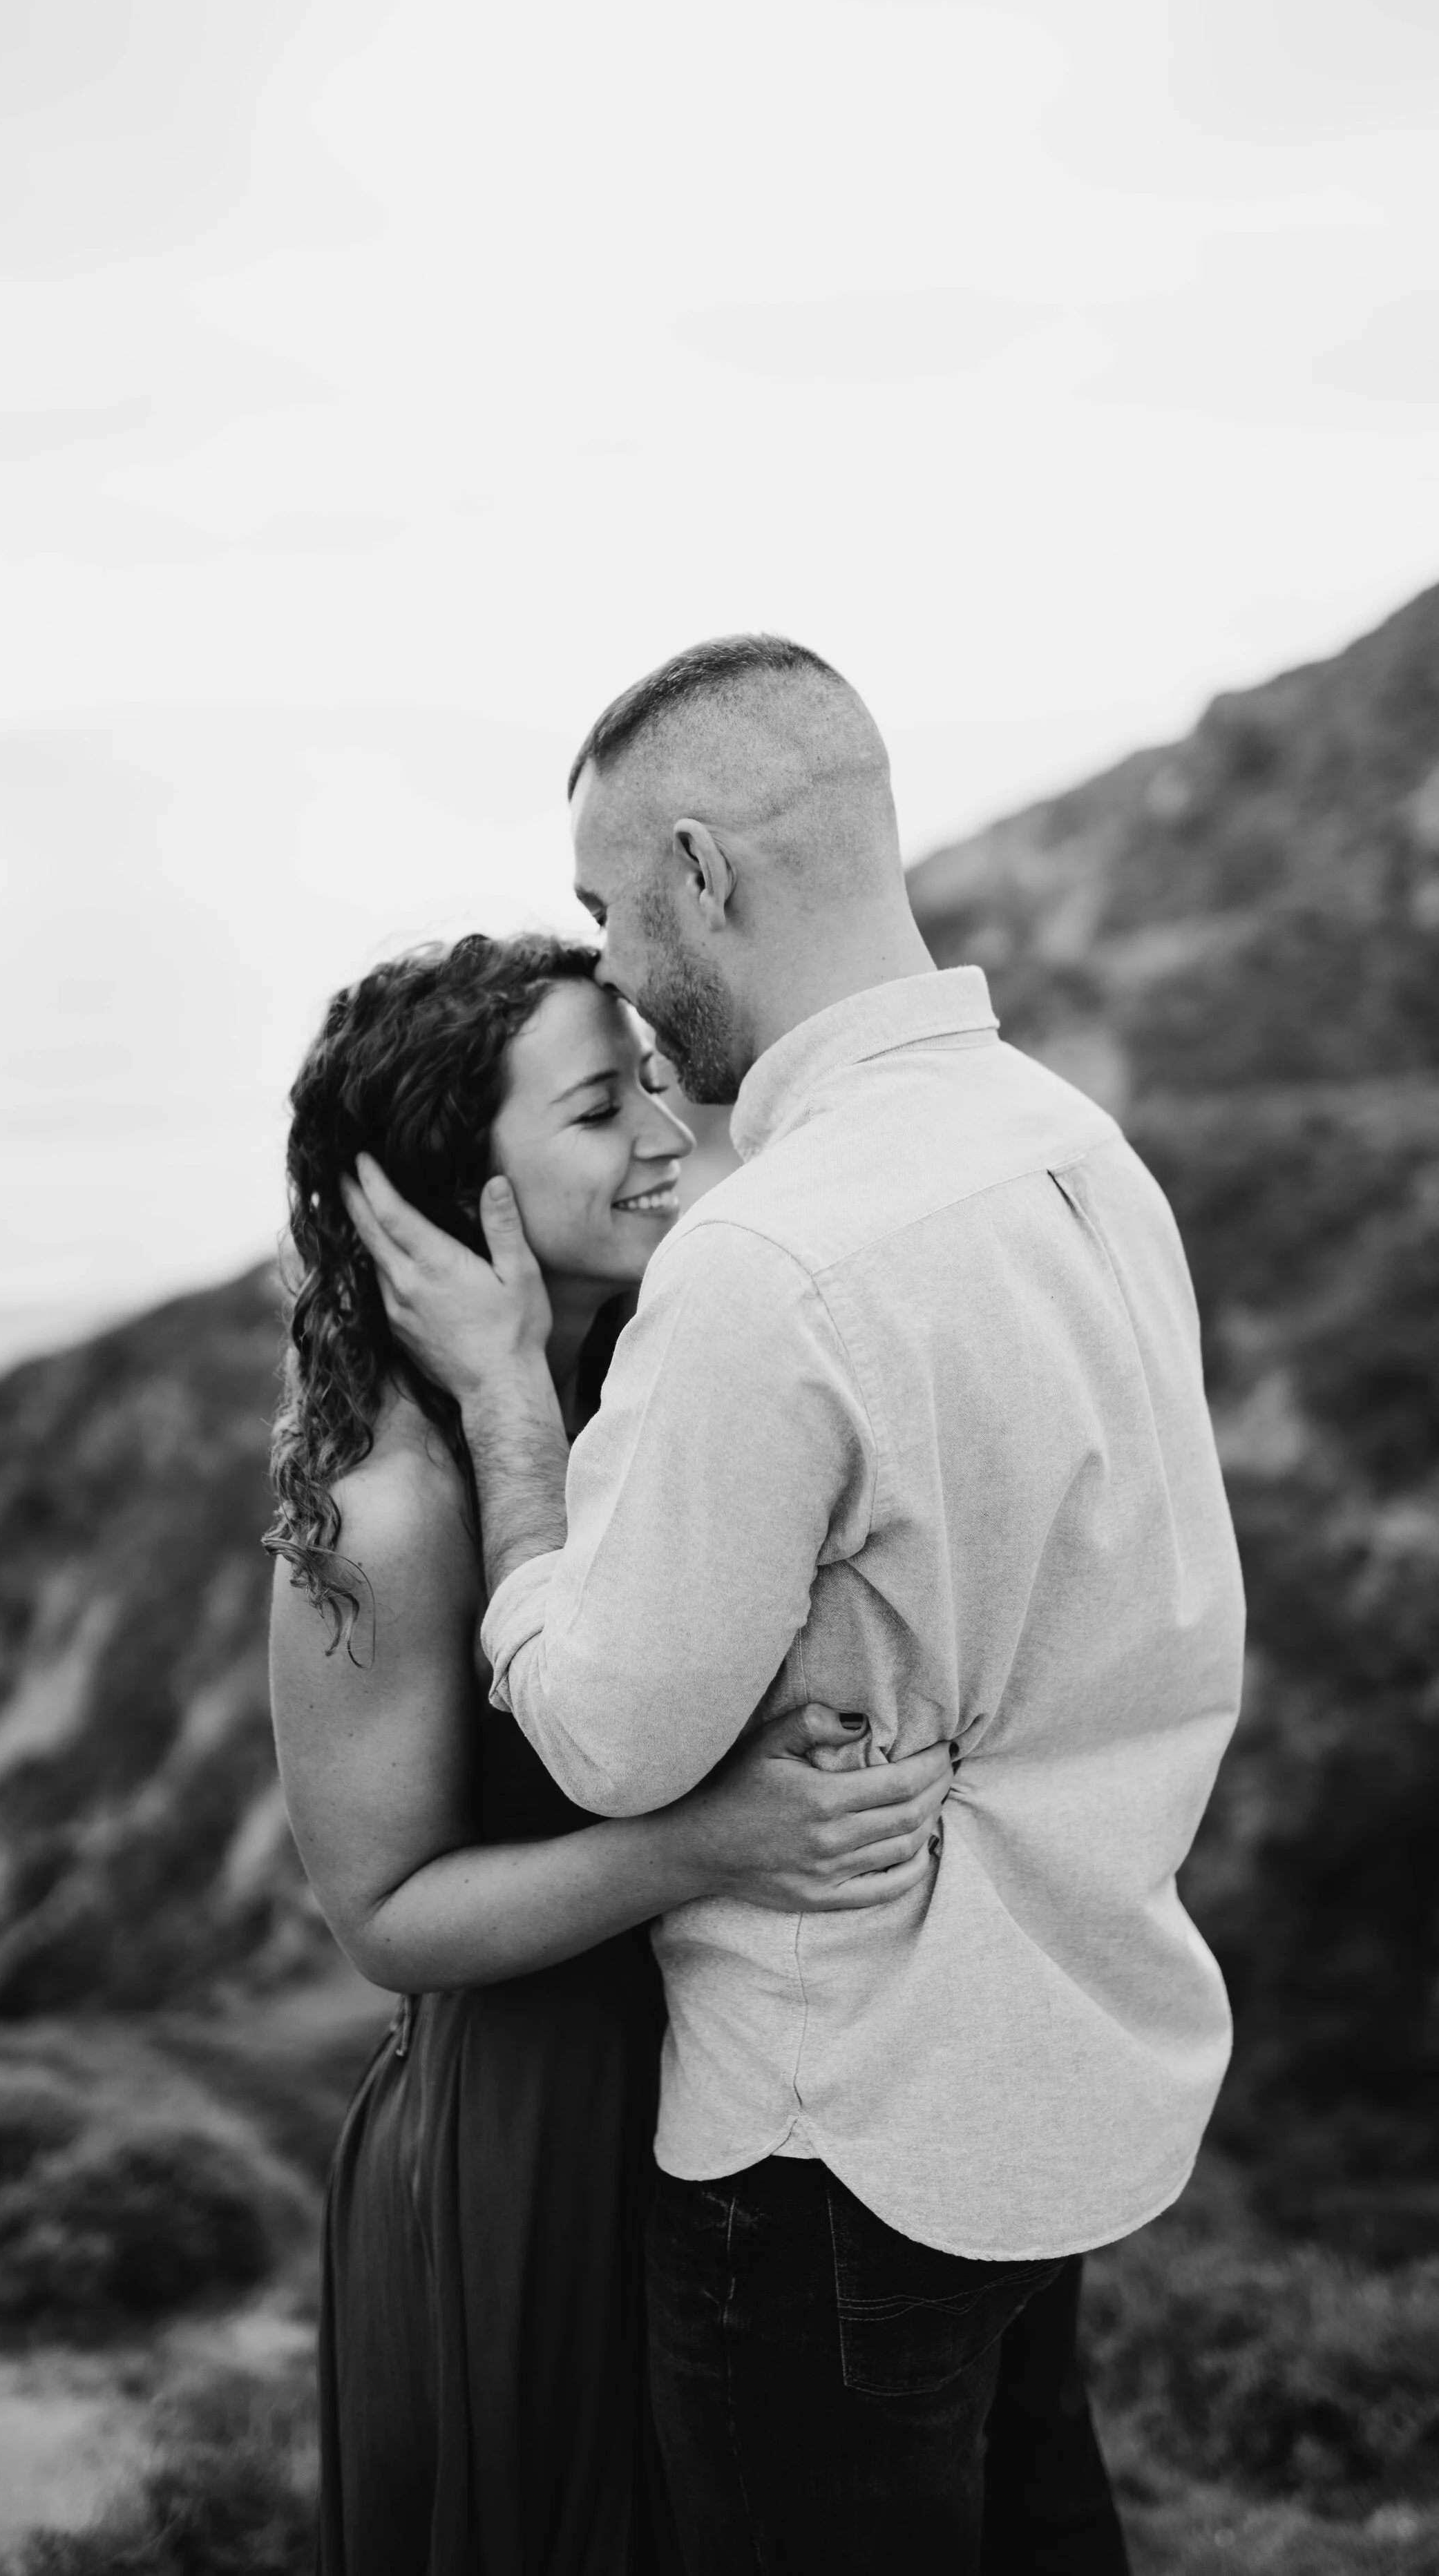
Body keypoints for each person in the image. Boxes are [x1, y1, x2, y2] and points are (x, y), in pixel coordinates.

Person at [346, 633, 1248, 2576]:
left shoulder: (774, 1259)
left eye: (608, 901)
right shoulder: (1077, 1151)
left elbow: (601, 1732)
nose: (620, 968)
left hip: (831, 2122)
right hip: (1056, 2064)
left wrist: (513, 1419)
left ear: (699, 867)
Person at [266, 932, 955, 2576]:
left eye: (651, 1077)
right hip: (538, 2131)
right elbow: (385, 1919)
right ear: (458, 1189)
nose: (667, 1129)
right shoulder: (390, 1508)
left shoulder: (641, 1381)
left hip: (718, 2095)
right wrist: (706, 1846)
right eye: (597, 1108)